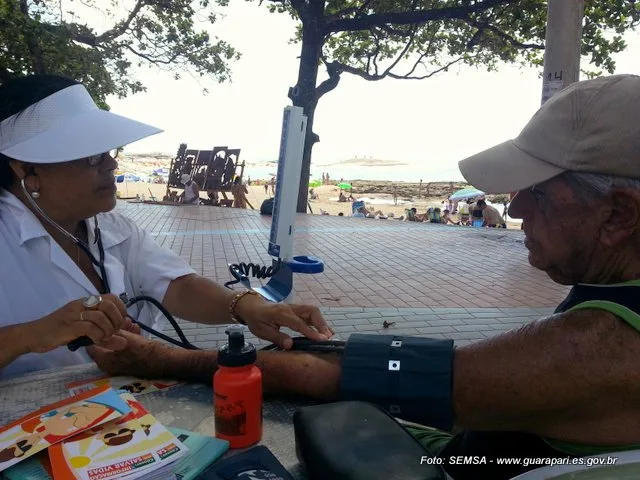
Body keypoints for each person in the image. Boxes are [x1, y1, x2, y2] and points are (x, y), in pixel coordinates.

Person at [83, 74, 640, 480]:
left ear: (618, 215)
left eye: (537, 192)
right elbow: (425, 368)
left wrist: (162, 360)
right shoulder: (611, 293)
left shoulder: (606, 346)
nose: (515, 210)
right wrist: (255, 310)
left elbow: (371, 376)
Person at [0, 74, 333, 381]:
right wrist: (33, 334)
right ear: (25, 168)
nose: (111, 164)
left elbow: (177, 286)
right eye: (92, 156)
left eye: (109, 152)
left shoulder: (113, 229)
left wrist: (247, 307)